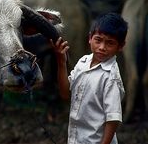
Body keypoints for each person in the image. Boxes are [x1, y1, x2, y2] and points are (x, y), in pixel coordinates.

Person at [50, 12, 128, 144]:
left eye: (110, 43)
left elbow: (113, 119)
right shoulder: (83, 62)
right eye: (98, 40)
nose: (102, 47)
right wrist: (61, 63)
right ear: (90, 38)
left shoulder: (110, 77)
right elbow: (65, 94)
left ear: (120, 46)